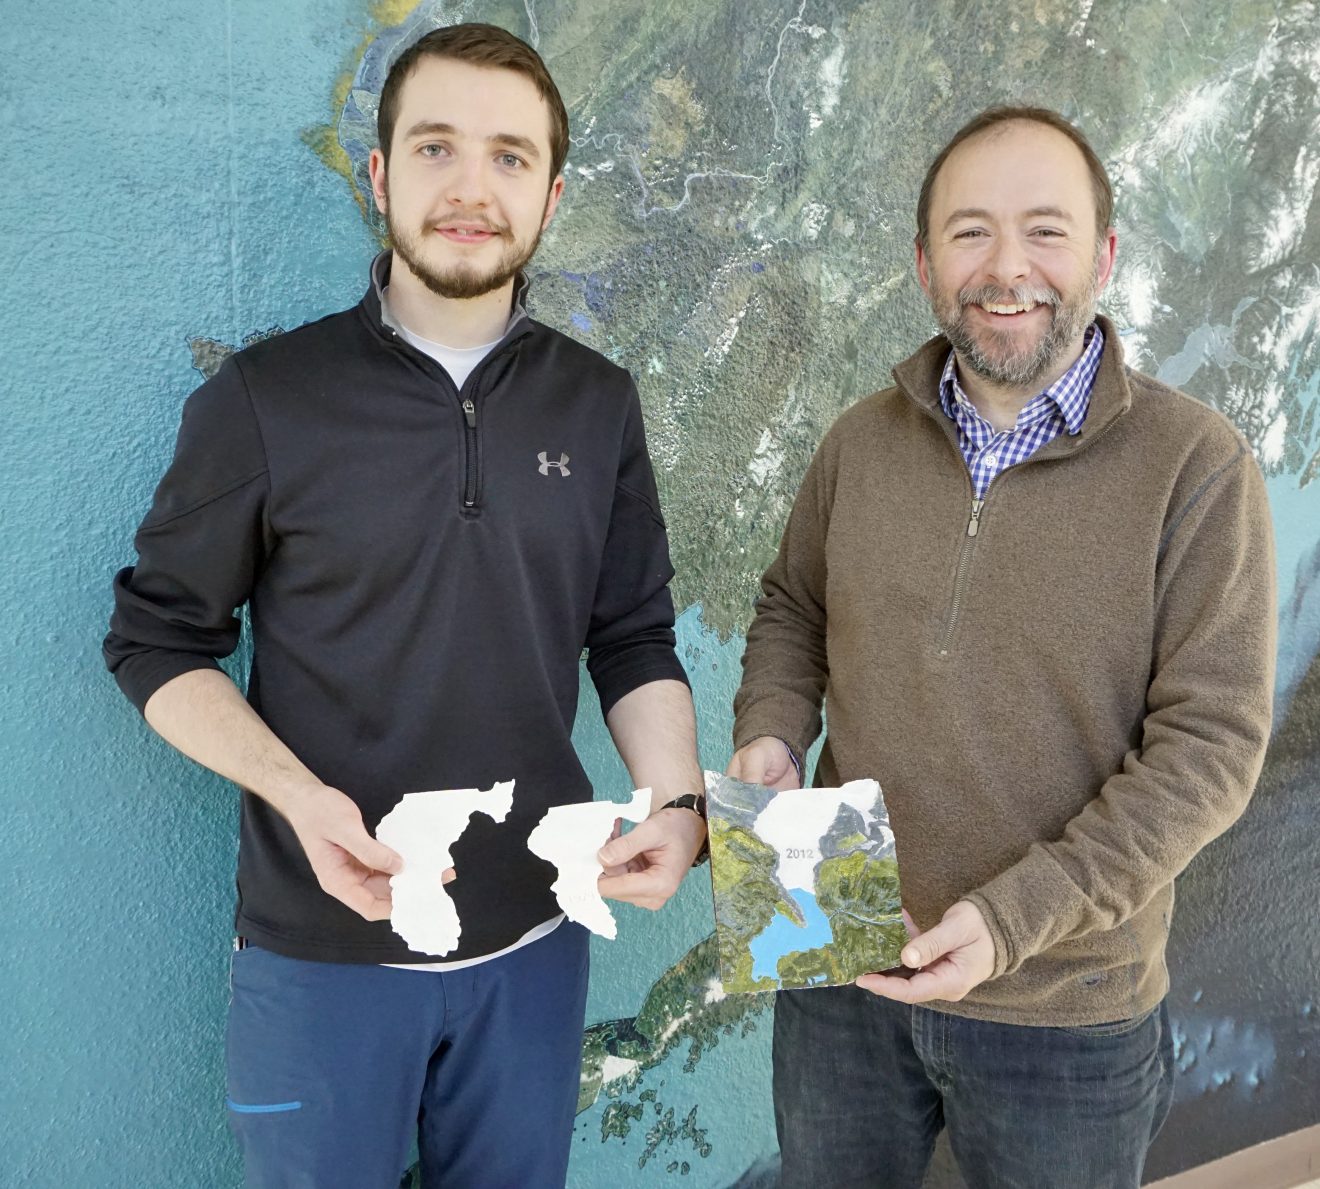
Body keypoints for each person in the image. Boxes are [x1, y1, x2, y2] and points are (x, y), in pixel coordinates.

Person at [104, 23, 706, 1188]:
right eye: (435, 148)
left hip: (534, 951)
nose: (472, 187)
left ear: (552, 192)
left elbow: (631, 637)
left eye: (510, 157)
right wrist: (295, 793)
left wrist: (676, 805)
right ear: (379, 176)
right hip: (320, 956)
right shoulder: (266, 400)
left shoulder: (599, 406)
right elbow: (153, 640)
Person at [727, 106, 1275, 1189]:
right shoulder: (858, 441)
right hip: (832, 935)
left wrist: (1009, 920)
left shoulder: (1198, 468)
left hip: (1066, 1003)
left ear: (1105, 257)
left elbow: (1209, 750)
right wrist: (768, 737)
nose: (1007, 267)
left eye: (1047, 231)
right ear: (926, 264)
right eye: (970, 233)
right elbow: (792, 605)